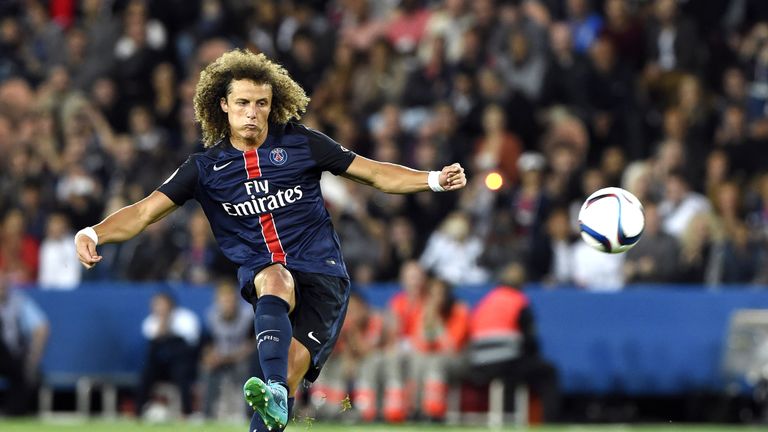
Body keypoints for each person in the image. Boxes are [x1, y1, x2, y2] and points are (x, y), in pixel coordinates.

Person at [74, 49, 466, 431]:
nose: (253, 112)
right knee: (274, 284)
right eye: (243, 102)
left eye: (262, 103)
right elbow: (143, 212)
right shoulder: (204, 169)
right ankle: (276, 388)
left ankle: (277, 397)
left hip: (324, 278)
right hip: (267, 276)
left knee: (282, 395)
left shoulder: (302, 143)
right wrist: (94, 232)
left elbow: (375, 173)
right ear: (223, 105)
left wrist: (432, 179)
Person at [136, 291, 200, 418]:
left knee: (182, 371)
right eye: (156, 305)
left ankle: (187, 412)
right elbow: (152, 349)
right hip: (161, 366)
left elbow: (192, 345)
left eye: (162, 305)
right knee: (147, 371)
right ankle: (139, 411)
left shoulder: (186, 318)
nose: (159, 308)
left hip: (183, 364)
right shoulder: (150, 321)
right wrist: (162, 324)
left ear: (171, 304)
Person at [201, 280, 255, 420]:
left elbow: (253, 343)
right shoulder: (211, 316)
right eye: (223, 300)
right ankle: (207, 414)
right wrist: (210, 357)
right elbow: (207, 343)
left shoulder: (247, 316)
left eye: (230, 300)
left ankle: (247, 414)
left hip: (240, 357)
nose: (227, 304)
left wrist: (231, 357)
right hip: (220, 357)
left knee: (246, 369)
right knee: (206, 369)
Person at [0, 268, 49, 416]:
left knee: (24, 373)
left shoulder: (19, 302)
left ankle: (14, 413)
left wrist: (33, 357)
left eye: (3, 286)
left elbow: (41, 328)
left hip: (11, 354)